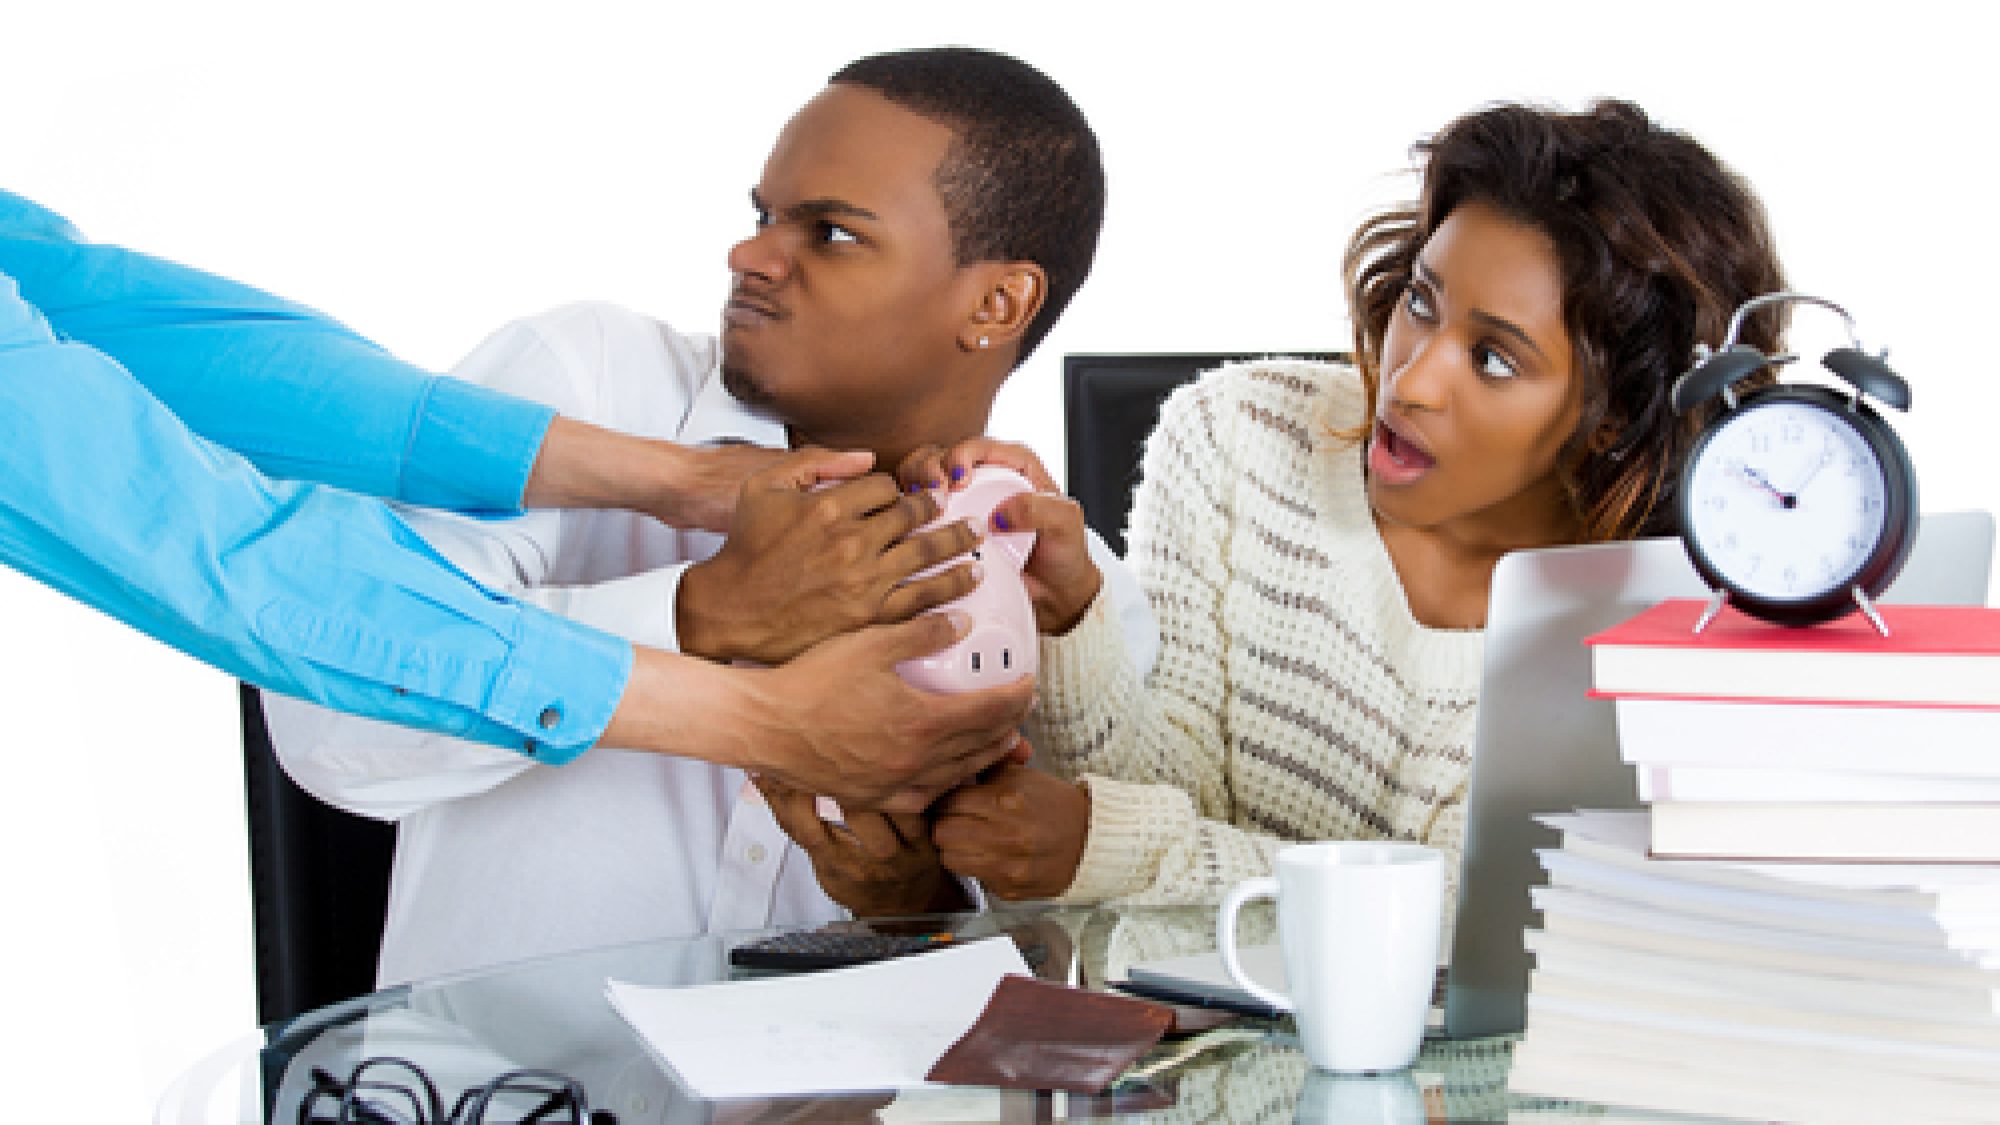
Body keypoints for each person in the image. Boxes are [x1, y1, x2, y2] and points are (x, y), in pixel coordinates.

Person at [266, 47, 1155, 985]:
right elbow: (325, 728)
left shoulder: (1068, 593)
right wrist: (703, 612)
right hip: (504, 1092)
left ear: (996, 301)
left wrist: (909, 899)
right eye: (764, 216)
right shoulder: (588, 386)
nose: (751, 256)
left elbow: (1101, 988)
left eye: (832, 234)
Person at [910, 99, 1789, 912]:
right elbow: (1167, 787)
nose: (1412, 378)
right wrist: (1073, 617)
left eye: (1493, 360)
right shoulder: (1235, 435)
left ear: (1613, 421)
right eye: (1421, 302)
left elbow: (1468, 915)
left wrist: (1110, 851)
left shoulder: (1650, 628)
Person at [0, 193, 1030, 814]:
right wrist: (747, 704)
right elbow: (220, 550)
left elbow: (113, 318)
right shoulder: (583, 360)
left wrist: (676, 480)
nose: (750, 256)